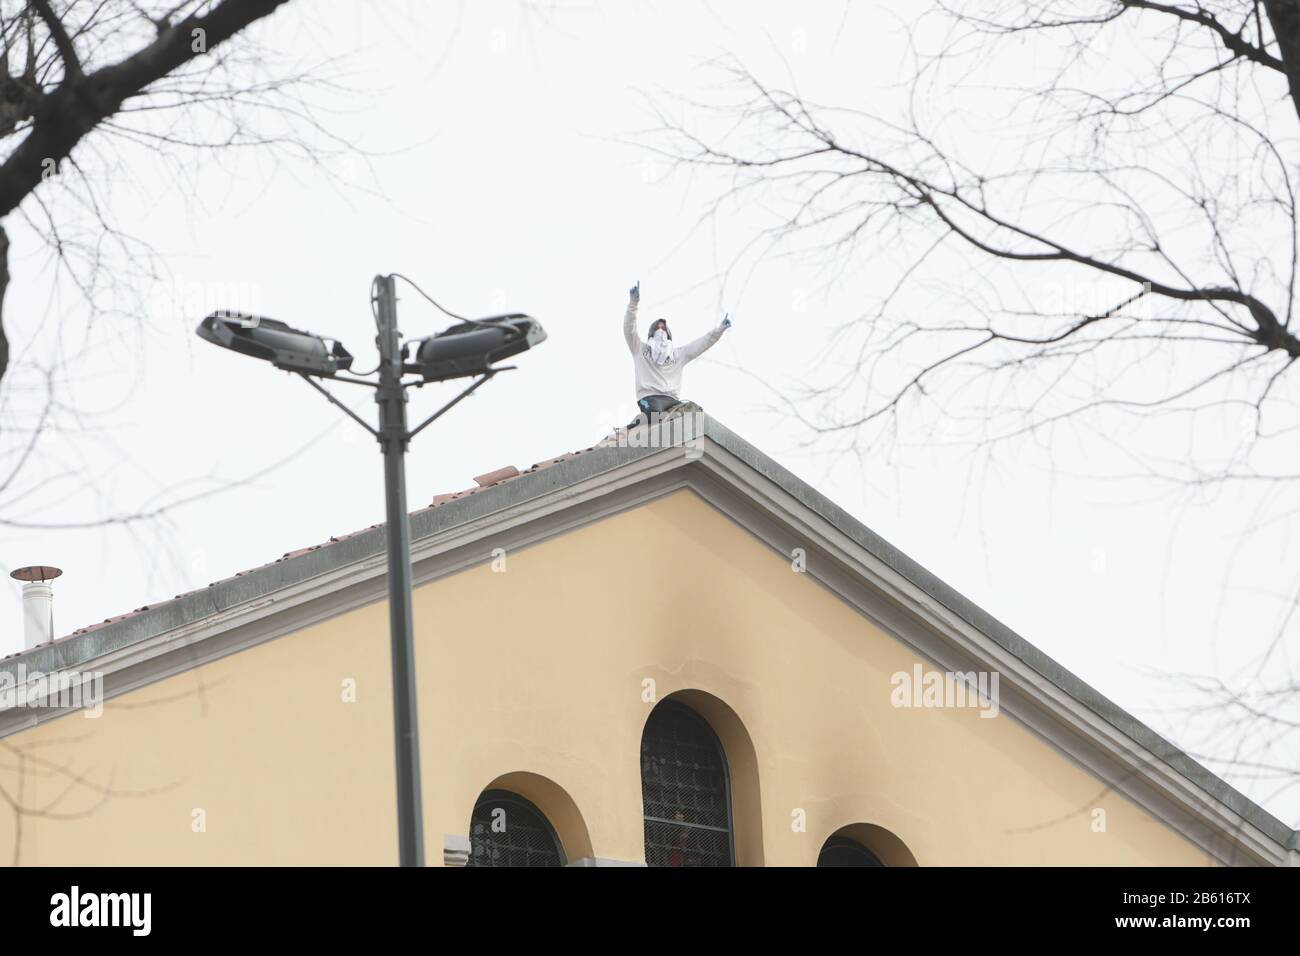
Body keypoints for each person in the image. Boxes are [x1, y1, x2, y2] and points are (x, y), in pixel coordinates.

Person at [623, 280, 732, 427]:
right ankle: (635, 426)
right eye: (657, 329)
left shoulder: (678, 355)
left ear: (669, 335)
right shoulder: (640, 349)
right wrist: (633, 303)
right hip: (649, 398)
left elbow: (702, 343)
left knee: (693, 413)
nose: (660, 331)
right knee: (654, 419)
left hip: (671, 400)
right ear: (651, 333)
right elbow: (629, 329)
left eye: (663, 329)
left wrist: (720, 329)